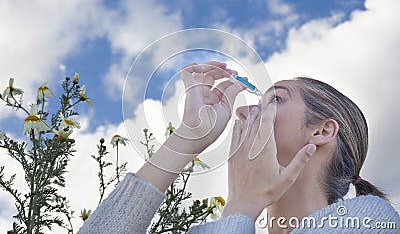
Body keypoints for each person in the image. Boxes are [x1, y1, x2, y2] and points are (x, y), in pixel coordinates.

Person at [77, 61, 400, 233]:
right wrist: (186, 139)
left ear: (322, 131)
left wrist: (242, 206)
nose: (243, 112)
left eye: (275, 99)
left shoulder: (367, 218)